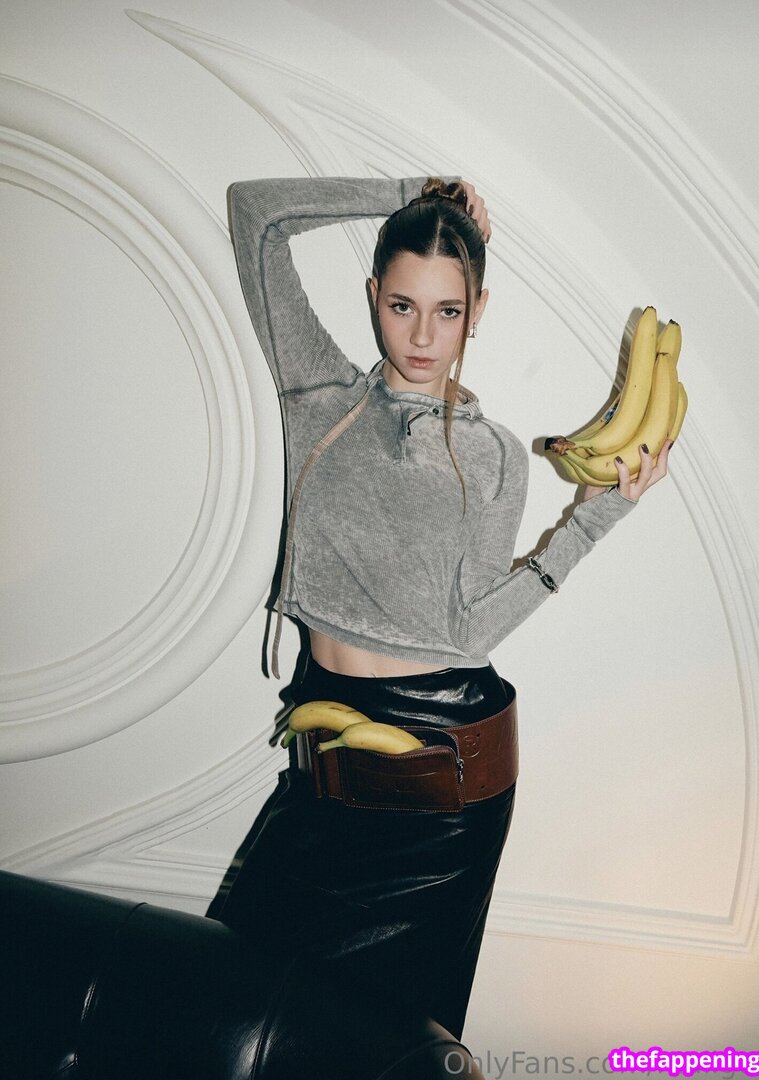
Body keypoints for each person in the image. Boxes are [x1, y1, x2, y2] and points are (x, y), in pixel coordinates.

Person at [206, 175, 671, 1061]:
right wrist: (404, 191)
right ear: (372, 297)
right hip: (323, 763)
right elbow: (254, 214)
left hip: (437, 794)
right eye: (401, 306)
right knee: (233, 1008)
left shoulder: (493, 456)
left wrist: (594, 517)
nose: (422, 337)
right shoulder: (318, 393)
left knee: (371, 1050)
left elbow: (470, 633)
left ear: (477, 311)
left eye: (448, 311)